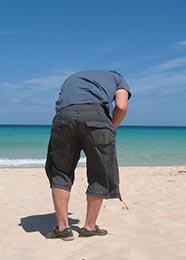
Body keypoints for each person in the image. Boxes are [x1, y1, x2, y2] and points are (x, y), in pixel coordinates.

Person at [45, 70, 131, 241]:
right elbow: (121, 106)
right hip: (96, 115)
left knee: (60, 171)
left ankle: (62, 228)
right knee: (100, 172)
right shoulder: (119, 79)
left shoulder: (72, 78)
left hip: (64, 116)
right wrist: (112, 127)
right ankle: (89, 227)